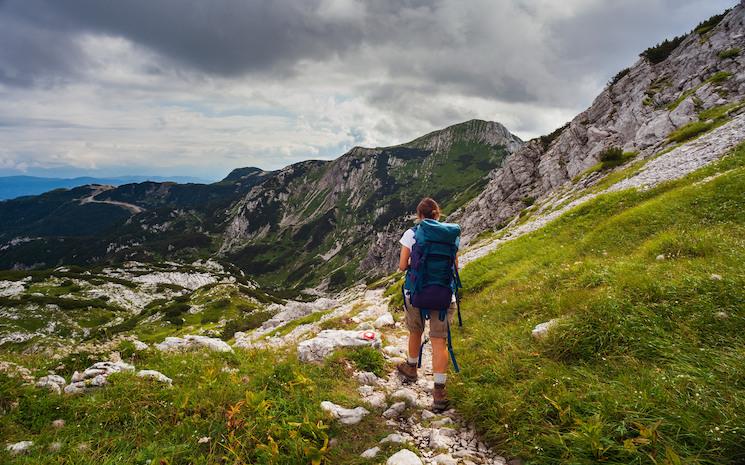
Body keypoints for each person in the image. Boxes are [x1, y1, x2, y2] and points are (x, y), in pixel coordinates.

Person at [396, 197, 459, 412]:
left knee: (415, 331)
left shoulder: (412, 234)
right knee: (439, 341)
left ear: (419, 215)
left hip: (417, 293)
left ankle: (411, 368)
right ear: (438, 214)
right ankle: (439, 392)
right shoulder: (450, 236)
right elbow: (455, 266)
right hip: (443, 295)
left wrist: (417, 263)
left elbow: (402, 266)